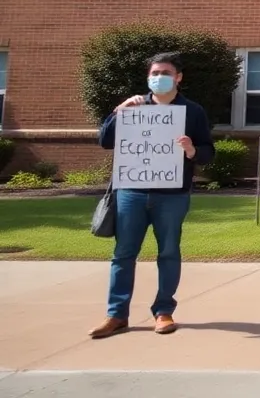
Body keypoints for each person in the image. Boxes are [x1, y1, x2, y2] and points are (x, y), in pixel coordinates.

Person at [90, 52, 215, 339]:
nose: (159, 78)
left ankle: (163, 311)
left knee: (169, 252)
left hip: (172, 195)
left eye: (166, 73)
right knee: (123, 254)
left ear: (178, 77)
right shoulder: (133, 107)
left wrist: (191, 150)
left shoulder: (192, 111)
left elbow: (208, 152)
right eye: (155, 73)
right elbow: (104, 140)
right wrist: (118, 110)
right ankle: (116, 315)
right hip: (131, 192)